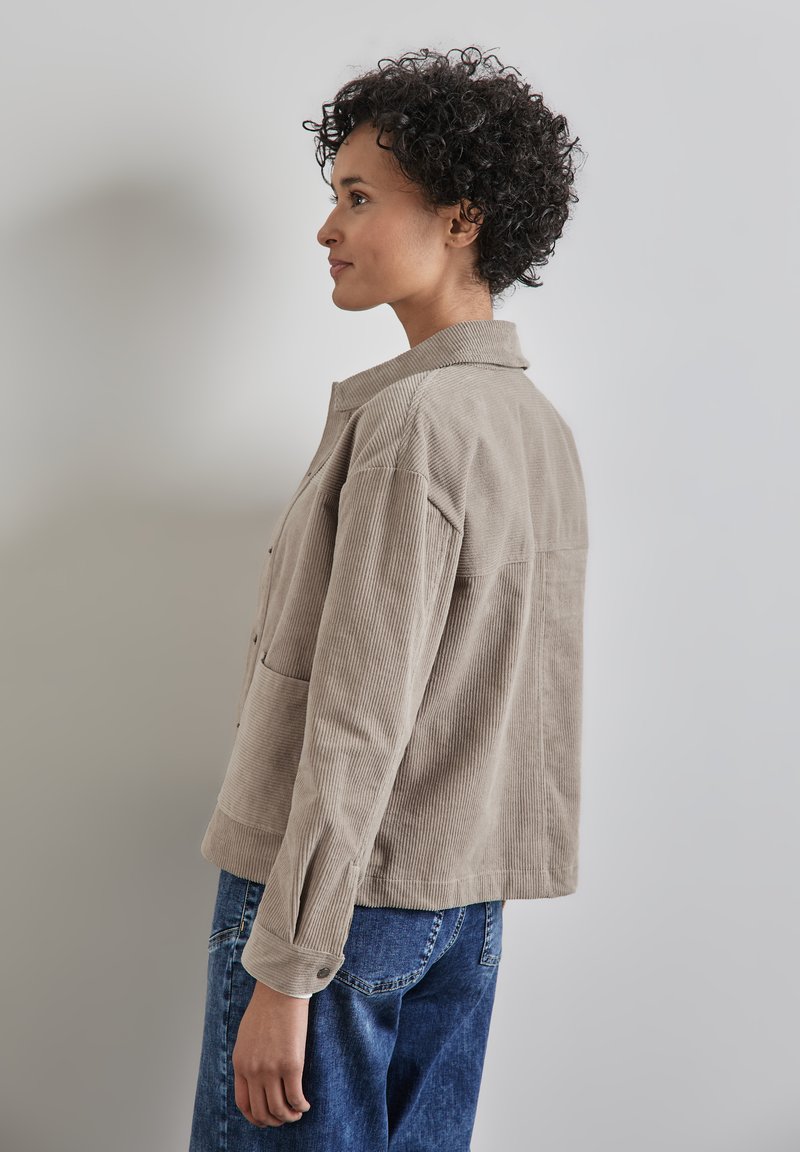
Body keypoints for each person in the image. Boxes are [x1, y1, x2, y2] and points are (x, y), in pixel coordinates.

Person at [189, 44, 587, 1150]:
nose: (328, 228)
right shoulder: (535, 428)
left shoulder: (414, 424)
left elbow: (359, 720)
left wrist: (286, 970)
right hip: (459, 909)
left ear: (461, 219)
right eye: (335, 197)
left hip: (333, 911)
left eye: (359, 198)